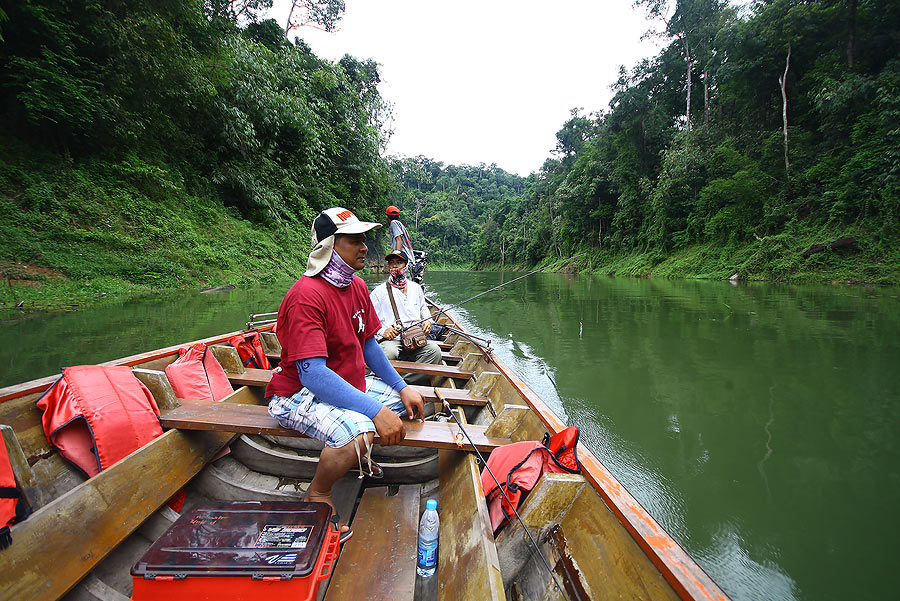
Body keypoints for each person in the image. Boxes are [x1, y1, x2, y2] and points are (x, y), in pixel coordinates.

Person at [265, 207, 425, 542]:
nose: (365, 246)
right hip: (298, 393)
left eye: (363, 239)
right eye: (355, 240)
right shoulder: (305, 296)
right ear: (329, 246)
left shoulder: (356, 286)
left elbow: (368, 344)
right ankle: (319, 493)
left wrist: (402, 386)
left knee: (406, 407)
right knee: (362, 430)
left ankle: (352, 456)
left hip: (346, 381)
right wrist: (374, 411)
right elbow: (312, 375)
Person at [369, 250, 442, 385]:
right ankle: (395, 382)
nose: (395, 267)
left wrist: (428, 320)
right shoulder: (378, 292)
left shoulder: (416, 288)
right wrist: (382, 331)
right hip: (392, 340)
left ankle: (402, 383)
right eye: (391, 263)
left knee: (435, 352)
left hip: (415, 337)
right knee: (388, 354)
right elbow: (369, 319)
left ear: (406, 266)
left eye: (399, 263)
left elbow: (423, 308)